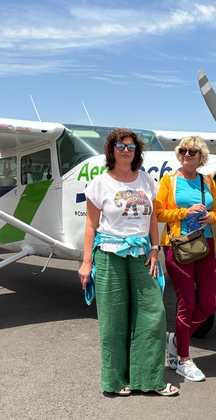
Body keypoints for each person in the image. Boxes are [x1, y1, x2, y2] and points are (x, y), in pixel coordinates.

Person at [78, 129, 178, 397]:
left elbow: (152, 218)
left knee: (153, 314)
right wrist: (86, 262)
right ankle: (115, 380)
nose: (125, 151)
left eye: (131, 147)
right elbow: (90, 225)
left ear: (137, 152)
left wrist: (155, 249)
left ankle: (149, 379)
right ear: (111, 150)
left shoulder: (146, 180)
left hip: (142, 253)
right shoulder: (100, 183)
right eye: (120, 146)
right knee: (113, 318)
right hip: (109, 254)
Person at [154, 136, 216, 382]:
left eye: (192, 151)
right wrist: (184, 212)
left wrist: (211, 218)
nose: (187, 154)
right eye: (183, 150)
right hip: (179, 244)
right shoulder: (169, 180)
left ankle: (176, 340)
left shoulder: (208, 181)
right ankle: (183, 359)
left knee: (211, 303)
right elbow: (158, 213)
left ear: (201, 156)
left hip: (205, 244)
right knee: (188, 304)